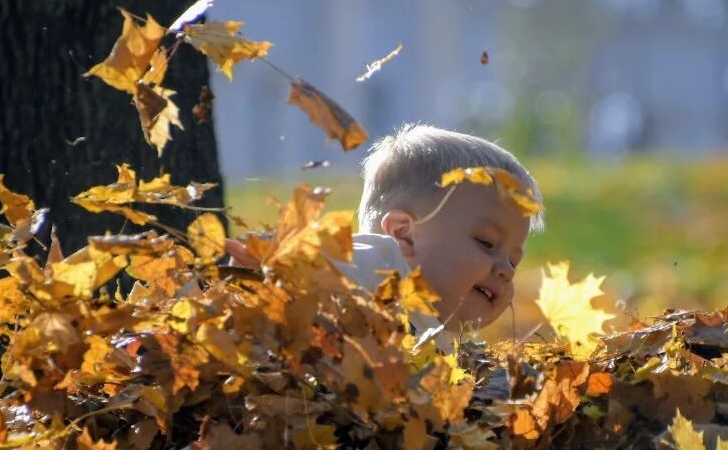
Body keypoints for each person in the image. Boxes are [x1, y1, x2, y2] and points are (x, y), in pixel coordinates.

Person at [228, 123, 544, 337]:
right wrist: (271, 263)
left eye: (513, 261)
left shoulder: (447, 337)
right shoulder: (380, 267)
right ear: (404, 234)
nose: (506, 270)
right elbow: (314, 264)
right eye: (487, 243)